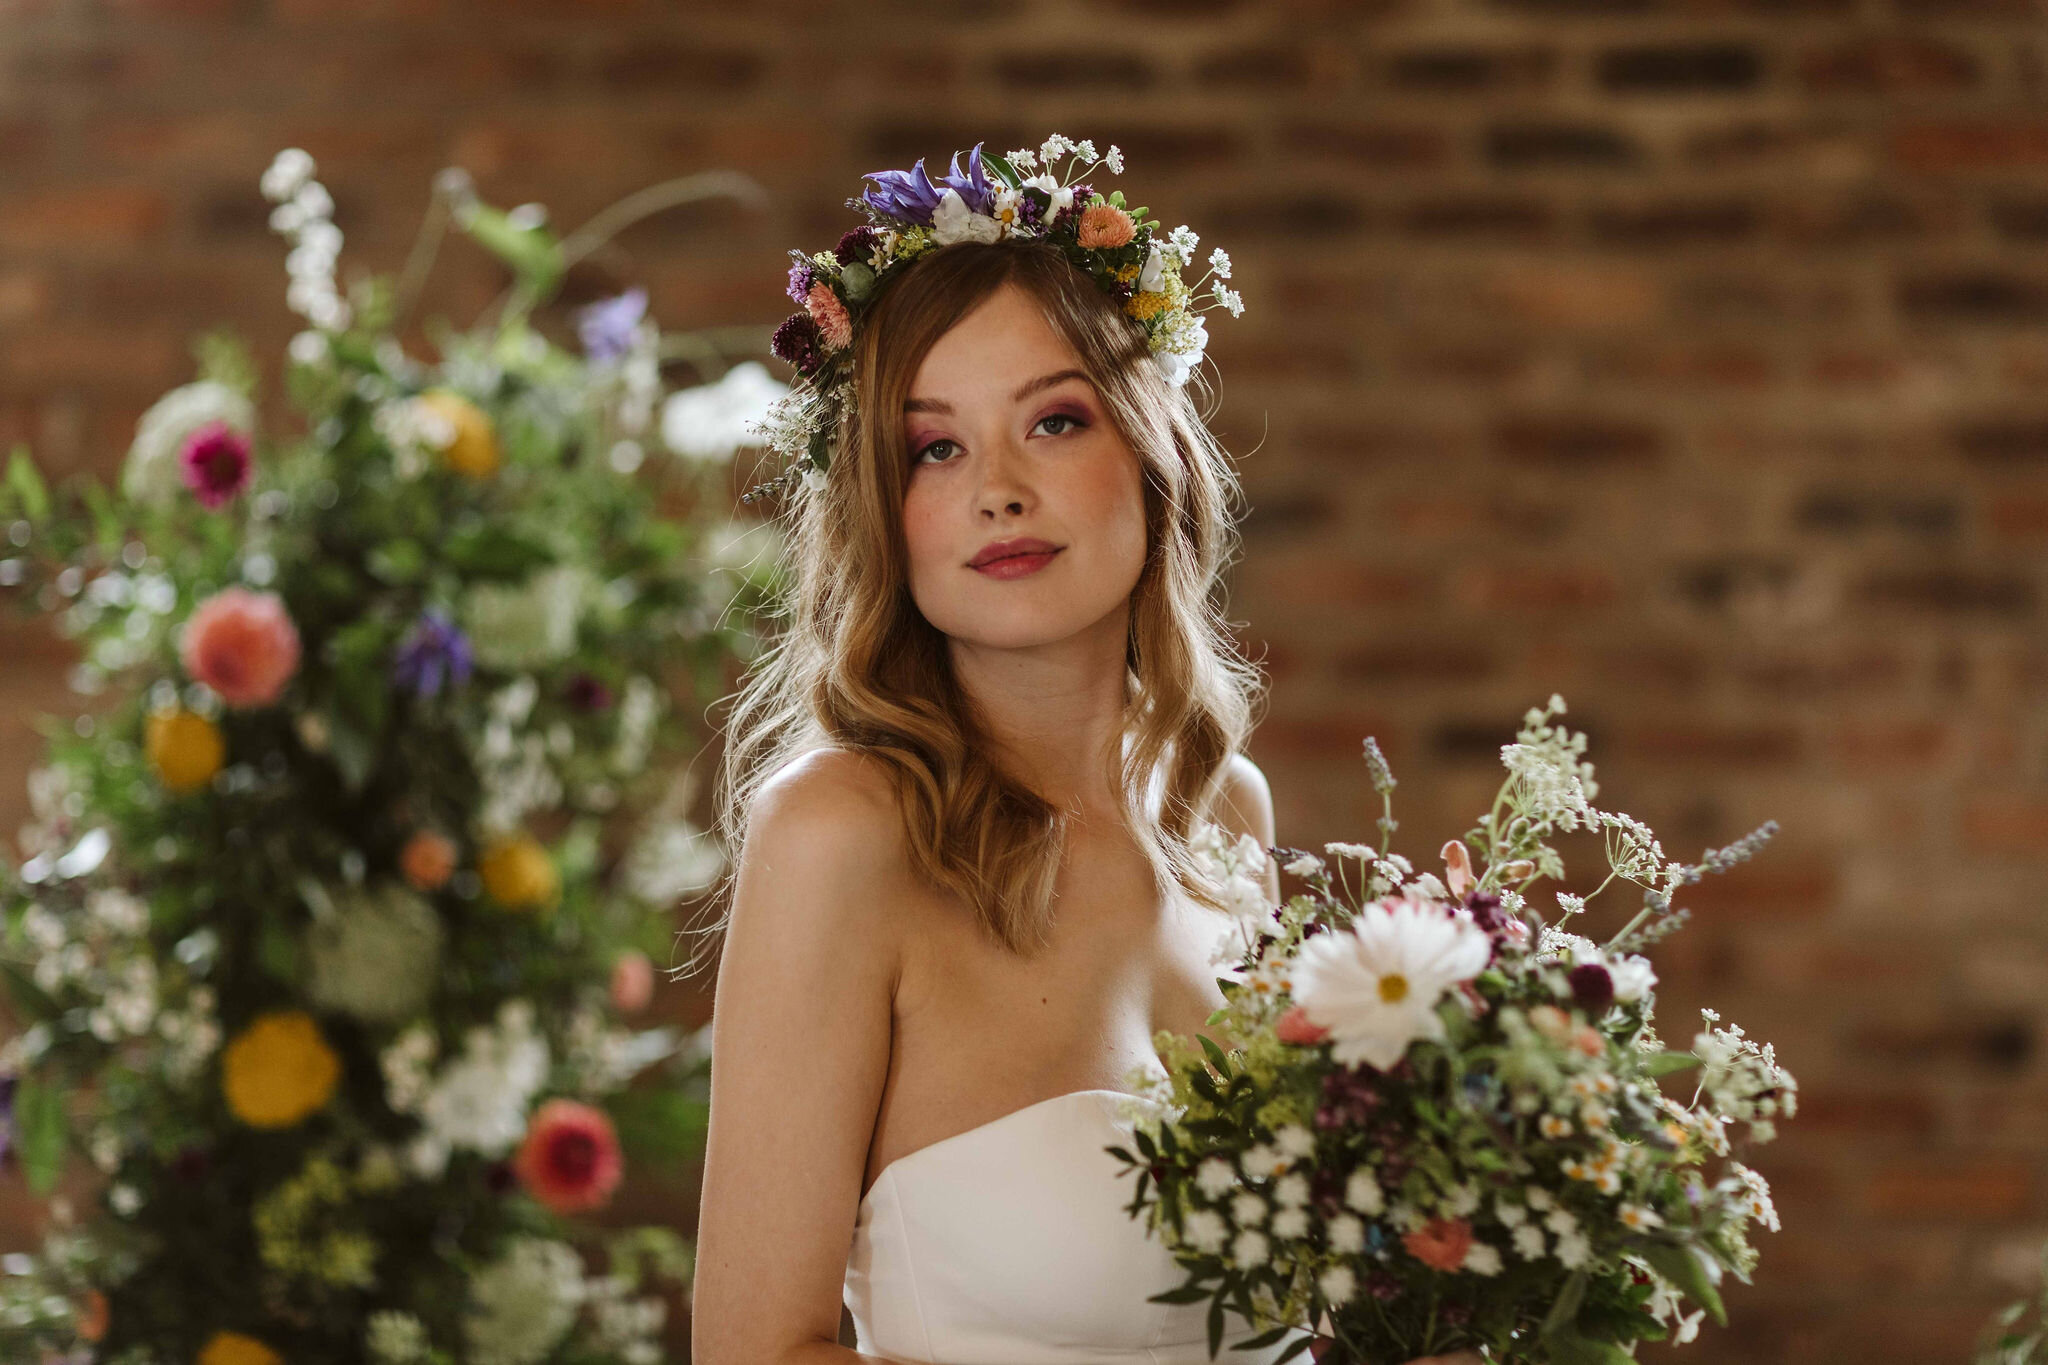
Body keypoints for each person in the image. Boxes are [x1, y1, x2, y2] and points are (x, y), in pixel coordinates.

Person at [689, 139, 1480, 1365]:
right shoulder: (842, 835)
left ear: (1152, 451)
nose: (997, 490)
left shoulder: (1225, 813)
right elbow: (754, 1353)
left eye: (1053, 422)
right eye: (935, 448)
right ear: (879, 510)